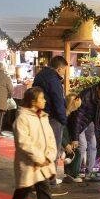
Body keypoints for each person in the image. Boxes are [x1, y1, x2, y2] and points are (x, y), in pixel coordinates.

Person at [7, 87, 67, 199]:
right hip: (28, 162)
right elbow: (23, 142)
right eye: (42, 98)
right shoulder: (22, 118)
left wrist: (49, 156)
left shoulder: (44, 117)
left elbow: (51, 138)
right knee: (23, 190)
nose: (45, 101)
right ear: (33, 101)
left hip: (43, 163)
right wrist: (39, 157)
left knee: (44, 189)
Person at [32, 56, 68, 184]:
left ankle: (41, 178)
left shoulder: (40, 75)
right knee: (53, 149)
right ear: (59, 69)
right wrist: (63, 120)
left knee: (42, 147)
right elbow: (58, 102)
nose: (64, 73)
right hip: (52, 117)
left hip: (39, 115)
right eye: (64, 70)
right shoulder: (54, 80)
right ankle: (51, 179)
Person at [68, 80, 100, 180]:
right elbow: (77, 117)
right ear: (97, 89)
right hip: (80, 124)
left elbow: (99, 110)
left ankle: (90, 172)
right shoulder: (85, 96)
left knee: (93, 145)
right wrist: (75, 138)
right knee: (82, 146)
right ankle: (75, 173)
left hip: (89, 122)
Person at [0, 62, 14, 136]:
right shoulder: (6, 76)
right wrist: (10, 95)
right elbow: (11, 88)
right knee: (0, 115)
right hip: (2, 98)